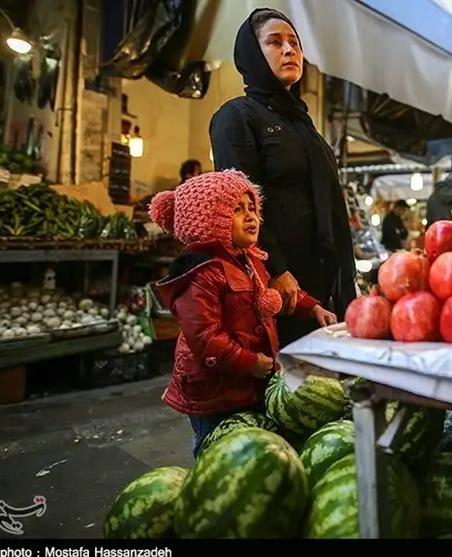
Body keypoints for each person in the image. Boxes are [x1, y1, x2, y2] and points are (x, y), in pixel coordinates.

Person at [148, 170, 338, 459]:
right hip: (213, 392)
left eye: (252, 208)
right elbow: (205, 339)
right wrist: (249, 362)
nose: (251, 216)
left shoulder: (250, 260)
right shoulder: (200, 274)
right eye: (236, 210)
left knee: (245, 450)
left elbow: (273, 294)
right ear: (210, 220)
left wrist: (313, 307)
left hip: (246, 384)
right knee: (214, 449)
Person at [209, 8, 357, 348]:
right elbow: (239, 203)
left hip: (318, 280)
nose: (289, 50)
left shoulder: (305, 128)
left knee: (320, 386)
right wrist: (275, 268)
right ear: (252, 53)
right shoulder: (236, 117)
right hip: (277, 286)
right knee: (281, 385)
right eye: (275, 42)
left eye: (295, 43)